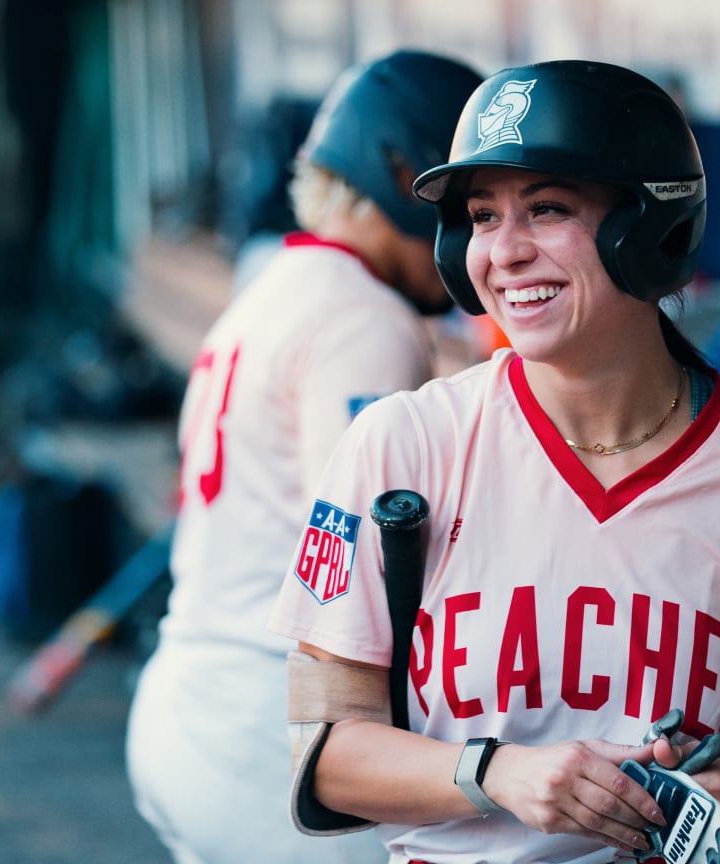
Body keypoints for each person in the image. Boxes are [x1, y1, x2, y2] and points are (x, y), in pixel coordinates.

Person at [267, 59, 720, 863]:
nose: (503, 251)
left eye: (546, 209)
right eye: (481, 216)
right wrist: (496, 774)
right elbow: (326, 753)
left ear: (649, 226)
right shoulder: (402, 444)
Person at [124, 49, 484, 864]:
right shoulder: (365, 317)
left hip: (189, 694)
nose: (474, 227)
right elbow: (378, 557)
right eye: (469, 200)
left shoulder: (286, 282)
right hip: (264, 722)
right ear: (402, 174)